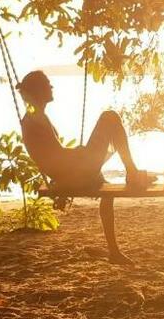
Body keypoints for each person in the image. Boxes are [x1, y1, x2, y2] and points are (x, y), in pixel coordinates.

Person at [17, 70, 153, 263]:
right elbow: (54, 155)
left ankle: (114, 251)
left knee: (106, 188)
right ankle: (132, 172)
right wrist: (24, 91)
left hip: (70, 172)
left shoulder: (36, 117)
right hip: (72, 173)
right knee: (109, 117)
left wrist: (76, 153)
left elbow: (54, 154)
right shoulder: (33, 115)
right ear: (37, 91)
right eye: (47, 83)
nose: (51, 86)